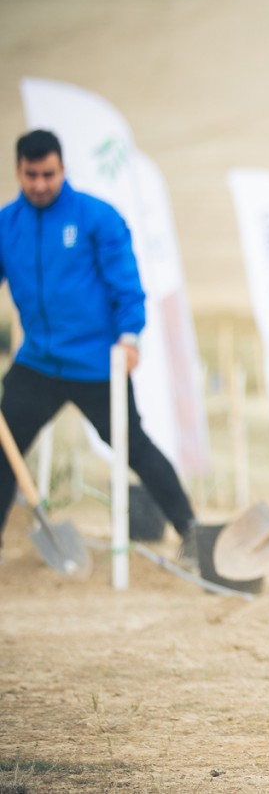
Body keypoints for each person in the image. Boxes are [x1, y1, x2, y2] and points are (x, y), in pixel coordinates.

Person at [0, 130, 199, 564]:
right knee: (4, 448)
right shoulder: (6, 224)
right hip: (37, 362)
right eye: (31, 174)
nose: (39, 184)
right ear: (18, 170)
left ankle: (191, 531)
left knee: (134, 446)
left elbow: (127, 285)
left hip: (95, 363)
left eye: (48, 174)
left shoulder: (96, 217)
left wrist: (129, 339)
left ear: (63, 168)